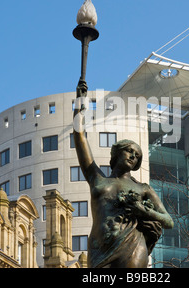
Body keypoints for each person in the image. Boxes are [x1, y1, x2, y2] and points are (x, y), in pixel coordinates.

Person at [73, 79, 174, 268]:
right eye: (130, 151)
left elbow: (168, 221)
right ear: (117, 153)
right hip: (99, 249)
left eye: (137, 156)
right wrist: (79, 106)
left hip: (133, 243)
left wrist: (143, 211)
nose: (133, 156)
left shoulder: (143, 188)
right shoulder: (97, 178)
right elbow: (80, 138)